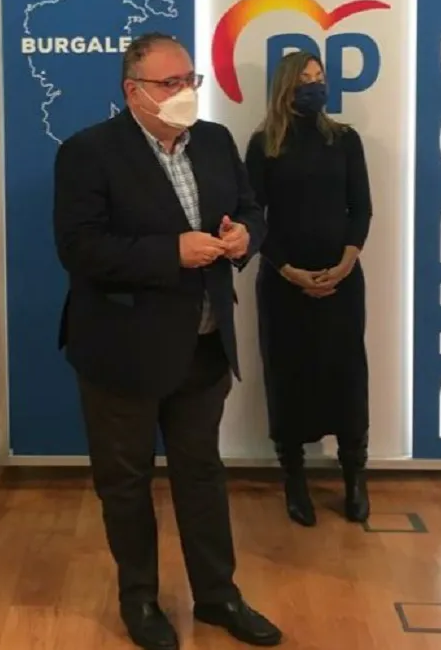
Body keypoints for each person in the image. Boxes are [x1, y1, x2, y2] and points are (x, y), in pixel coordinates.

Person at [52, 32, 282, 650]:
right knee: (126, 483)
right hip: (122, 351)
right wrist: (169, 253)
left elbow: (252, 210)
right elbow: (79, 248)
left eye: (190, 80)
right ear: (134, 92)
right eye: (170, 83)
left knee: (202, 474)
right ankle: (141, 601)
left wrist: (244, 237)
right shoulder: (88, 153)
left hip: (204, 344)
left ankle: (218, 595)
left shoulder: (215, 141)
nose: (186, 92)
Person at [244, 51, 373, 527]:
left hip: (342, 279)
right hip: (284, 282)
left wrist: (345, 264)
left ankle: (355, 476)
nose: (315, 86)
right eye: (305, 79)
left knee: (346, 375)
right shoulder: (263, 144)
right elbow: (253, 217)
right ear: (285, 86)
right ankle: (294, 479)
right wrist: (289, 271)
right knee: (288, 374)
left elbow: (361, 209)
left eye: (320, 77)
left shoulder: (345, 139)